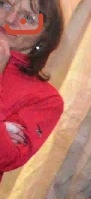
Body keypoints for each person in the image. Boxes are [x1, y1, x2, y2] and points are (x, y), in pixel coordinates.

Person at [0, 0, 63, 184]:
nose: (10, 18)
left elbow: (6, 157)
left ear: (44, 38)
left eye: (28, 18)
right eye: (5, 5)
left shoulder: (46, 99)